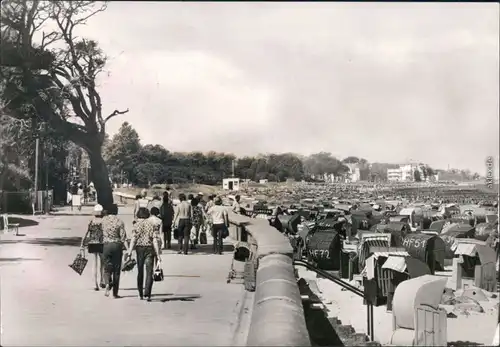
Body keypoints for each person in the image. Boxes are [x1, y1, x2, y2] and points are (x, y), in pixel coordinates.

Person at [127, 207, 161, 302]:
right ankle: (148, 293)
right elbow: (154, 240)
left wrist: (129, 252)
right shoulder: (151, 225)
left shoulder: (136, 225)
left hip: (139, 249)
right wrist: (158, 254)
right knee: (149, 272)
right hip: (150, 249)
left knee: (140, 271)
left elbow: (133, 239)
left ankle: (140, 293)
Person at [101, 204, 129, 298]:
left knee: (106, 267)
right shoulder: (119, 221)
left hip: (106, 245)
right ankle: (115, 293)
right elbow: (123, 237)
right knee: (117, 270)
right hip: (117, 246)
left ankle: (108, 282)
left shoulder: (103, 220)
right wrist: (128, 250)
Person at [80, 204, 105, 290]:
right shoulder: (104, 221)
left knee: (94, 263)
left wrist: (82, 244)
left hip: (93, 243)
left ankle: (95, 284)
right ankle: (102, 280)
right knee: (102, 263)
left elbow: (85, 233)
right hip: (102, 243)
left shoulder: (91, 220)